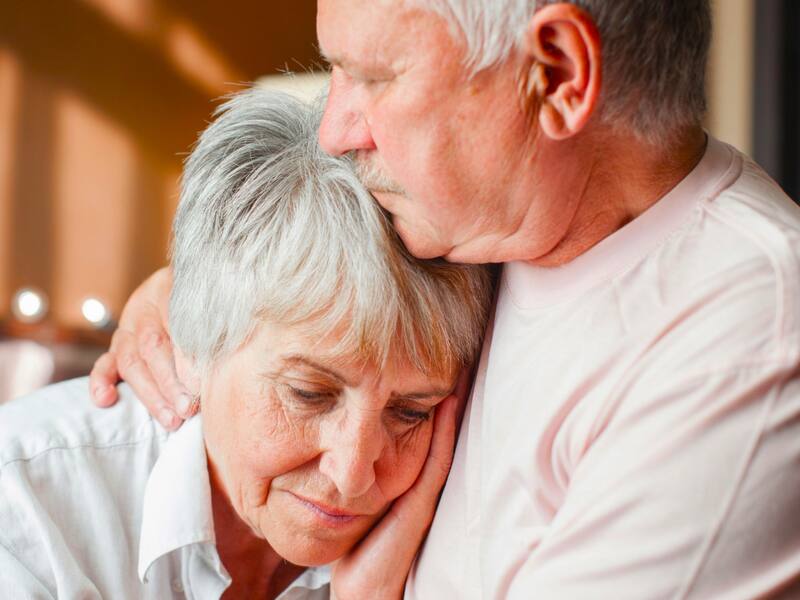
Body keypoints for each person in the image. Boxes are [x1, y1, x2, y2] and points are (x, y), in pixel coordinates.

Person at [92, 0, 800, 597]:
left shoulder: (736, 353)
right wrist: (192, 299)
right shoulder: (503, 220)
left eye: (374, 77)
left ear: (557, 74)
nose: (336, 131)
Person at [0, 88, 493, 599]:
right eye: (308, 393)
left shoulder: (464, 512)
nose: (352, 475)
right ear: (190, 345)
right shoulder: (23, 510)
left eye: (410, 412)